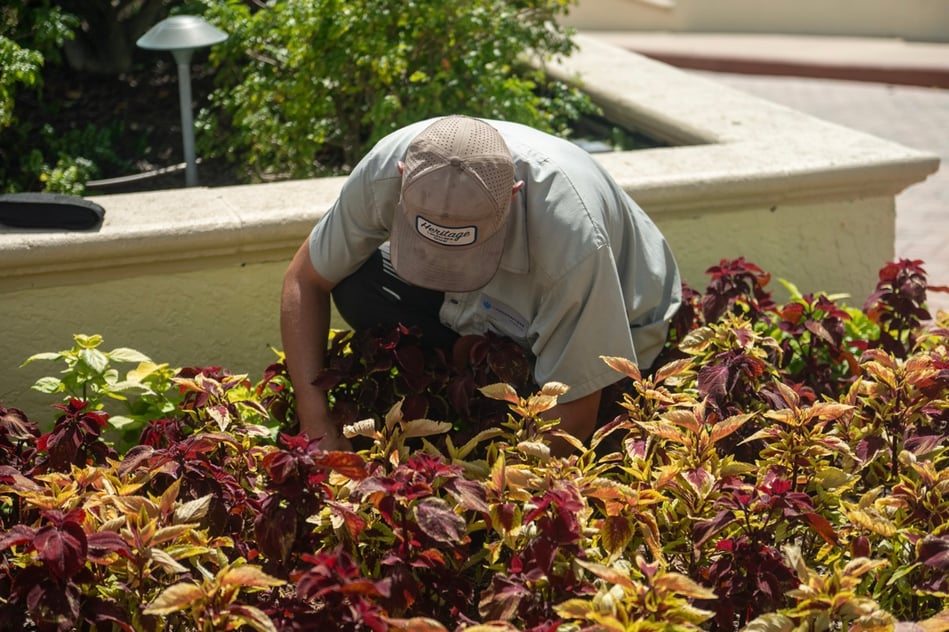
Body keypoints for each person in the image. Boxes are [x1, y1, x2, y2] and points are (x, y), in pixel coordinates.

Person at [280, 115, 681, 455]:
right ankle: (465, 371)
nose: (447, 269)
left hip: (621, 320)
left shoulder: (572, 240)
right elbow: (305, 278)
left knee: (590, 415)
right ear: (402, 178)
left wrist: (486, 495)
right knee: (356, 282)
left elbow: (573, 415)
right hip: (485, 310)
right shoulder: (383, 169)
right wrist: (316, 421)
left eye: (463, 255)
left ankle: (492, 376)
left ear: (513, 196)